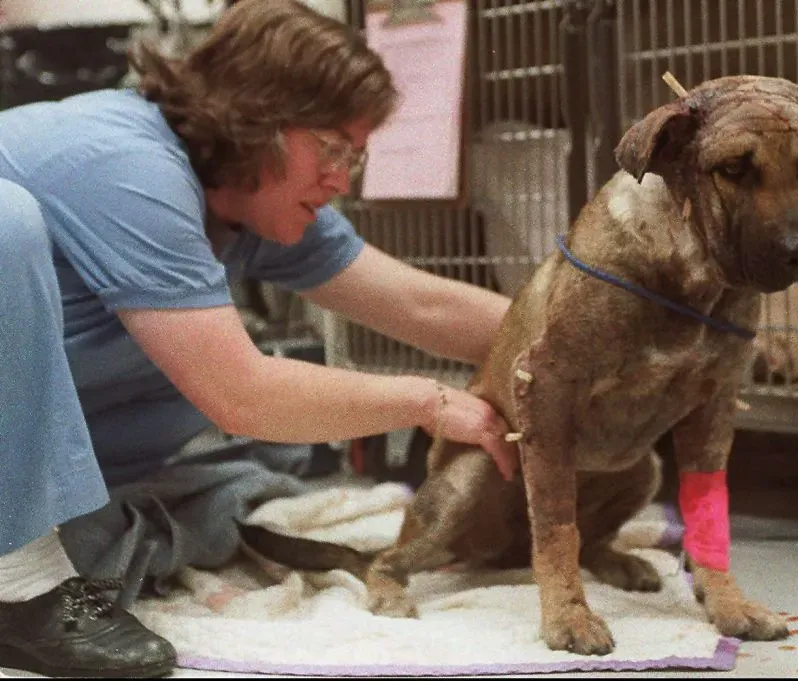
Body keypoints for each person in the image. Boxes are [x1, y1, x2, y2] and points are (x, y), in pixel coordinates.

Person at [0, 0, 518, 676]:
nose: (341, 180)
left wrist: (584, 338)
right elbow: (240, 395)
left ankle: (45, 526)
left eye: (355, 157)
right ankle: (22, 584)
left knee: (183, 363)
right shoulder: (131, 166)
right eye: (331, 149)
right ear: (256, 122)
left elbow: (422, 305)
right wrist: (432, 402)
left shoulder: (248, 203)